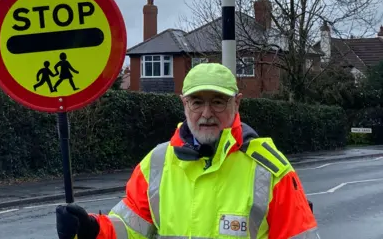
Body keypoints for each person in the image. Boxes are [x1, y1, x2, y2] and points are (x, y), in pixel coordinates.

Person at [56, 63, 320, 239]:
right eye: (197, 102)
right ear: (184, 104)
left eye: (218, 102)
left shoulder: (269, 170)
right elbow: (130, 227)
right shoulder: (157, 163)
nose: (206, 114)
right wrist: (90, 229)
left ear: (237, 103)